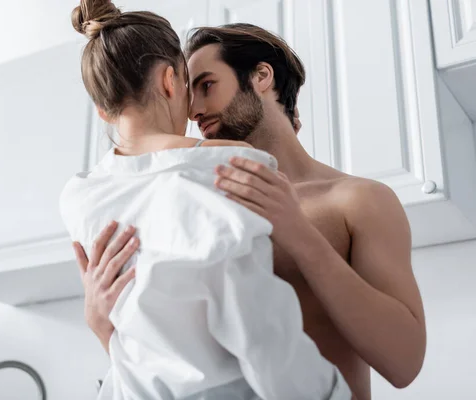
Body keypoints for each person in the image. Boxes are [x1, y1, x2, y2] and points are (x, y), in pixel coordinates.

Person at [73, 14, 427, 400]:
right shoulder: (195, 204)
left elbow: (404, 363)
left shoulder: (357, 201)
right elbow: (173, 367)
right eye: (189, 93)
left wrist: (300, 234)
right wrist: (103, 326)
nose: (193, 111)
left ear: (261, 77)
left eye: (206, 86)